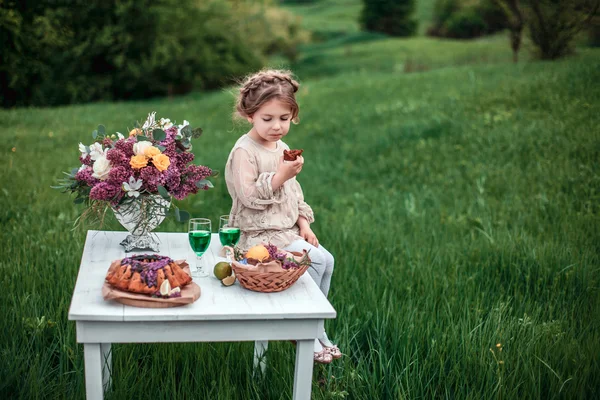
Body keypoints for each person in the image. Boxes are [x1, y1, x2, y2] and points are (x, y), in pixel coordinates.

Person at [224, 69, 340, 364]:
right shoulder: (244, 152)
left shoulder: (283, 148)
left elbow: (293, 192)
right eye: (268, 119)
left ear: (292, 116)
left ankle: (316, 327)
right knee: (311, 261)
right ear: (249, 115)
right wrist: (279, 175)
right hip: (257, 235)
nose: (277, 126)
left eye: (284, 119)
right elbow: (248, 198)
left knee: (327, 261)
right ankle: (298, 326)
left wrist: (303, 222)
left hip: (285, 230)